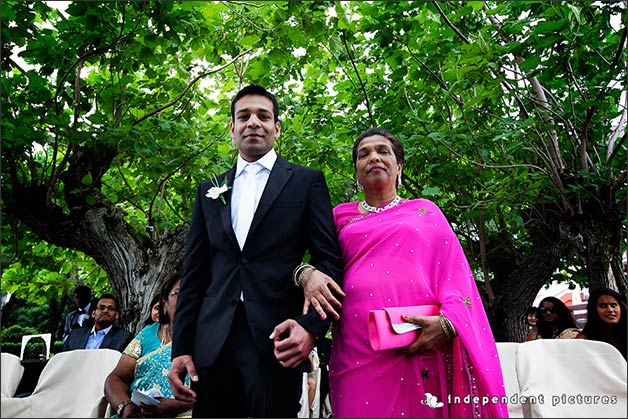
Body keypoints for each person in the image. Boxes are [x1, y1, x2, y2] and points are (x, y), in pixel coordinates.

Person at [298, 128, 508, 417]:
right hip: (356, 349)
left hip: (420, 342)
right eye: (364, 154)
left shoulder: (425, 212)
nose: (374, 157)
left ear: (400, 167)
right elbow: (319, 266)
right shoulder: (338, 216)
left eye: (383, 151)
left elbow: (457, 278)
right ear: (357, 172)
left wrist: (448, 325)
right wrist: (305, 271)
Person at [168, 84, 344, 418]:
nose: (253, 122)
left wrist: (310, 327)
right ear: (232, 128)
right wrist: (182, 348)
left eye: (263, 116)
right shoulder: (209, 190)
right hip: (212, 344)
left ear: (276, 128)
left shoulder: (306, 182)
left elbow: (329, 262)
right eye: (243, 116)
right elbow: (194, 274)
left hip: (276, 341)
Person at [104, 272, 193, 418]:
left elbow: (224, 394)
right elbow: (116, 378)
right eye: (178, 293)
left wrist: (180, 406)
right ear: (164, 304)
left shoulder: (211, 340)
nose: (186, 298)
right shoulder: (148, 333)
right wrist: (126, 407)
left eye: (193, 292)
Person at [61, 293, 134, 352]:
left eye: (110, 309)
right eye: (101, 308)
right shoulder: (75, 335)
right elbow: (62, 359)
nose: (105, 311)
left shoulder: (124, 338)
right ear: (93, 313)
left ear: (116, 315)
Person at [576, 287, 627, 359]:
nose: (610, 310)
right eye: (603, 306)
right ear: (594, 310)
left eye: (613, 305)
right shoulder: (584, 340)